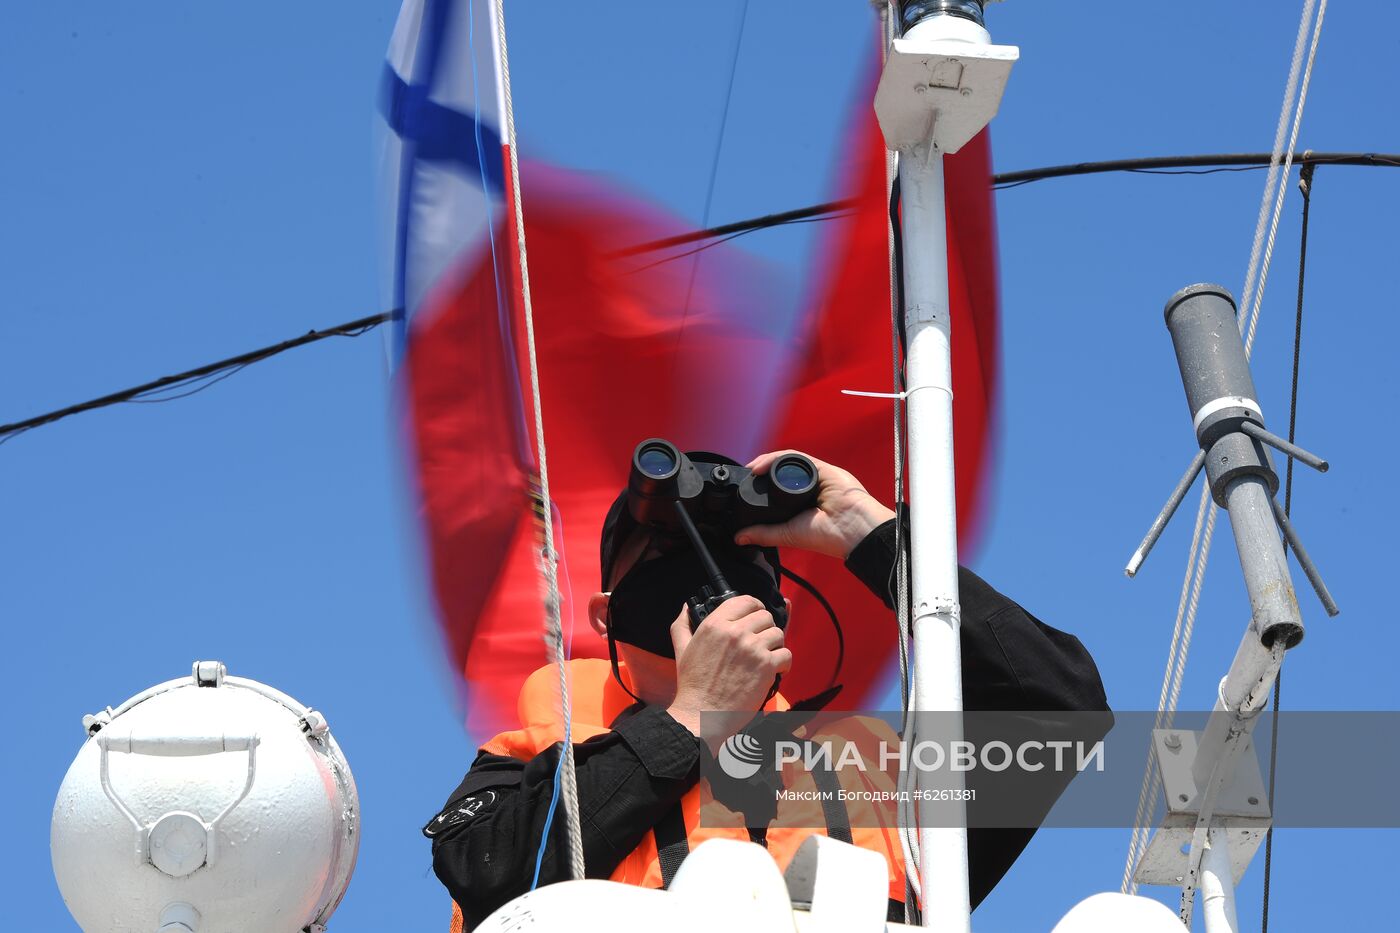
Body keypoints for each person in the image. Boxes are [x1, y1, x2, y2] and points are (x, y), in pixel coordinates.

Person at [427, 450, 1110, 930]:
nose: (712, 581)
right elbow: (489, 874)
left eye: (742, 561)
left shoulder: (879, 775)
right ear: (610, 615)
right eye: (670, 556)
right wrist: (691, 717)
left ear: (780, 608)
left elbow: (1056, 711)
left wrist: (866, 534)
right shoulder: (538, 751)